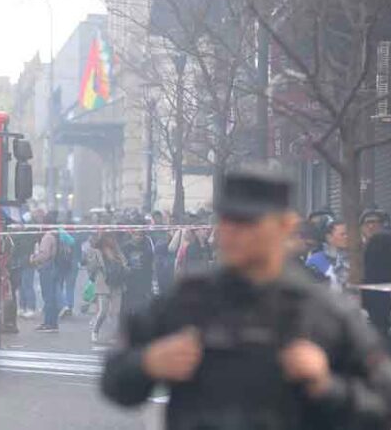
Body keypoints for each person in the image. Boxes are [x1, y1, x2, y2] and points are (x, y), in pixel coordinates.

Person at [102, 168, 391, 429]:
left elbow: (380, 407)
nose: (232, 233)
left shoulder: (324, 312)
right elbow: (114, 380)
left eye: (248, 222)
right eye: (227, 220)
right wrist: (148, 363)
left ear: (285, 226)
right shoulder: (187, 300)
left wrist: (326, 385)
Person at [86, 232, 128, 344]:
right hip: (103, 283)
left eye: (112, 237)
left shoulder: (117, 251)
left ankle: (114, 335)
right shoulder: (96, 251)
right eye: (108, 237)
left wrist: (122, 266)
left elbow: (125, 263)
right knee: (103, 311)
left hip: (117, 283)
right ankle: (95, 331)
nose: (111, 239)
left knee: (116, 312)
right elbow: (91, 268)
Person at [362, 209, 391, 341]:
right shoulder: (352, 249)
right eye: (368, 222)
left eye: (375, 222)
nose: (371, 226)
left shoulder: (385, 241)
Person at [30, 211, 60, 333]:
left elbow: (45, 254)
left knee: (48, 296)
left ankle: (49, 323)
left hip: (47, 268)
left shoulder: (47, 236)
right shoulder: (55, 234)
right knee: (52, 295)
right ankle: (52, 322)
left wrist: (34, 259)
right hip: (53, 267)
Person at [306, 220, 349, 292]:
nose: (347, 237)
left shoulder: (357, 259)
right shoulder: (315, 261)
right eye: (342, 234)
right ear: (329, 237)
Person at [122, 228, 154, 315]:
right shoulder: (126, 248)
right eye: (136, 235)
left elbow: (150, 264)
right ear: (132, 235)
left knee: (141, 300)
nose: (138, 237)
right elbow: (122, 263)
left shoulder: (146, 247)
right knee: (130, 301)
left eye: (140, 235)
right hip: (130, 279)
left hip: (143, 278)